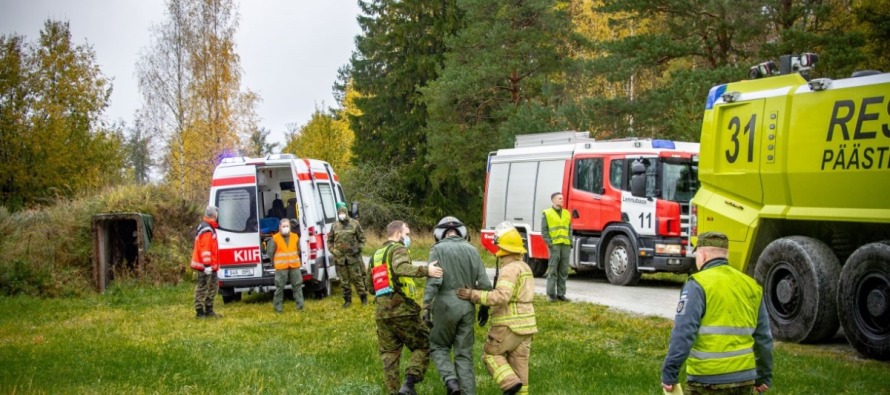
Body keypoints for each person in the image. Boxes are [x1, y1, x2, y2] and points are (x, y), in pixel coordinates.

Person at [661, 232, 774, 394]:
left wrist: (669, 372)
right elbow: (763, 337)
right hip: (744, 378)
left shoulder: (697, 284)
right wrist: (764, 376)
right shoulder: (751, 286)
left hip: (707, 379)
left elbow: (683, 332)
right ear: (725, 255)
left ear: (703, 254)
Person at [457, 222, 537, 395]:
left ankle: (509, 384)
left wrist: (473, 295)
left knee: (491, 355)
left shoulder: (509, 269)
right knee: (520, 364)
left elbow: (501, 296)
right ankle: (520, 390)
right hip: (527, 326)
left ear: (502, 246)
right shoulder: (525, 267)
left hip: (508, 324)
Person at [369, 220, 444, 395]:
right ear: (397, 234)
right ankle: (409, 383)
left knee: (390, 356)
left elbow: (371, 287)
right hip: (403, 311)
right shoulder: (398, 249)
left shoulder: (376, 256)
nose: (409, 238)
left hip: (382, 313)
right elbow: (401, 267)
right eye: (407, 234)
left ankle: (393, 392)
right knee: (424, 344)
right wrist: (426, 271)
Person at [424, 216, 492, 395]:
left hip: (444, 306)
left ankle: (451, 381)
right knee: (464, 355)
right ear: (462, 232)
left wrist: (426, 306)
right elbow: (485, 283)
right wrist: (484, 307)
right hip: (467, 306)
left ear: (439, 233)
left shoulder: (437, 249)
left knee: (438, 346)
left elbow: (434, 281)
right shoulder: (472, 250)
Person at [330, 202, 368, 308]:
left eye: (343, 212)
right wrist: (333, 251)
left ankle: (363, 298)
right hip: (341, 259)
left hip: (353, 257)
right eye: (339, 213)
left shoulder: (355, 224)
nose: (341, 214)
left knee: (357, 278)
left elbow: (362, 238)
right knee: (344, 281)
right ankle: (347, 300)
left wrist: (359, 249)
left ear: (346, 213)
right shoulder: (334, 226)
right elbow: (330, 240)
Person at [266, 218, 305, 313]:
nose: (285, 228)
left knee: (297, 286)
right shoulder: (274, 238)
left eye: (287, 226)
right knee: (280, 287)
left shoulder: (295, 236)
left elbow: (299, 250)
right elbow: (270, 252)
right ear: (279, 227)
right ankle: (278, 308)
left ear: (290, 227)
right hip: (281, 267)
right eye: (283, 226)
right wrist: (275, 263)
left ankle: (300, 307)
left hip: (294, 266)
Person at [190, 205, 220, 318]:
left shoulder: (207, 227)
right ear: (215, 215)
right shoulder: (207, 229)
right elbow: (205, 249)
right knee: (203, 287)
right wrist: (207, 265)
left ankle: (209, 310)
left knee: (212, 287)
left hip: (210, 265)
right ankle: (200, 312)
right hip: (205, 266)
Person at [541, 192, 571, 302]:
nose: (562, 200)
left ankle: (561, 294)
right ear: (553, 201)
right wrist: (550, 244)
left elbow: (570, 229)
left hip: (565, 245)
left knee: (563, 271)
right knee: (552, 270)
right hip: (554, 246)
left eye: (562, 198)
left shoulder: (567, 213)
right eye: (559, 198)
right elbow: (544, 231)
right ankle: (551, 294)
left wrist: (570, 242)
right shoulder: (547, 213)